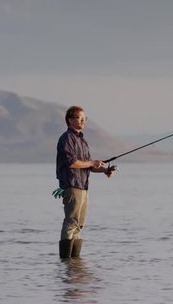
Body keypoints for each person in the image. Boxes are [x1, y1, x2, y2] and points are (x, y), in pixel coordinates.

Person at [55, 106, 116, 259]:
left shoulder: (82, 140)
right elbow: (72, 163)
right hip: (72, 186)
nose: (83, 121)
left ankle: (74, 263)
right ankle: (65, 262)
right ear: (70, 120)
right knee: (71, 222)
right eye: (79, 118)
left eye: (85, 118)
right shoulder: (67, 138)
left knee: (79, 225)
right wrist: (91, 163)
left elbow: (87, 166)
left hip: (83, 187)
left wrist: (104, 170)